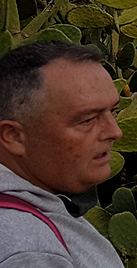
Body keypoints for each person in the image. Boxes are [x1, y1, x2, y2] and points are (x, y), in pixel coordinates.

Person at [0, 42, 124, 267]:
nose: (115, 132)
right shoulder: (28, 250)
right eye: (87, 120)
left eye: (113, 111)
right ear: (14, 137)